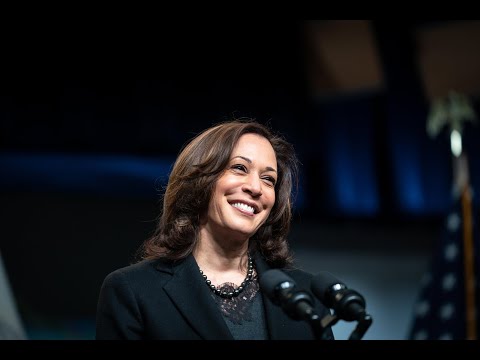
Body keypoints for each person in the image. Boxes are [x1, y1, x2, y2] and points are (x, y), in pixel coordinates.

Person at [95, 119, 334, 340]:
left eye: (268, 179)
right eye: (239, 168)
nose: (255, 187)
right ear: (200, 179)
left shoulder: (307, 296)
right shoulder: (133, 291)